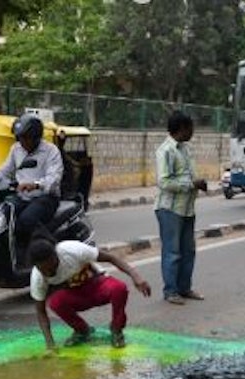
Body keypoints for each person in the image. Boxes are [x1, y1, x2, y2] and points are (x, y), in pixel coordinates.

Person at [28, 232, 151, 350]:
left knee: (119, 288)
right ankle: (82, 330)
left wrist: (136, 277)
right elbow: (41, 312)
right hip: (76, 296)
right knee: (55, 303)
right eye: (44, 270)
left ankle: (116, 329)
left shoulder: (72, 250)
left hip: (97, 286)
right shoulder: (37, 277)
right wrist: (50, 345)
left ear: (56, 255)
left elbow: (111, 258)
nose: (49, 272)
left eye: (52, 267)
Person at [155, 111, 207, 305]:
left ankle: (184, 288)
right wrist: (192, 185)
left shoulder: (185, 149)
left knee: (188, 250)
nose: (193, 131)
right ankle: (170, 291)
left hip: (187, 208)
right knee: (172, 252)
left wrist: (196, 183)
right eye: (190, 127)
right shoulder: (166, 151)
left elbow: (186, 175)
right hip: (170, 209)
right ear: (182, 128)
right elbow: (164, 182)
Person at [0, 113, 63, 244]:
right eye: (20, 138)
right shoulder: (16, 149)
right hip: (22, 197)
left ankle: (44, 249)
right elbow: (5, 170)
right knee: (1, 216)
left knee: (26, 219)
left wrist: (36, 185)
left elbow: (54, 178)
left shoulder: (51, 151)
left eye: (26, 138)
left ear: (36, 137)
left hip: (45, 197)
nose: (23, 142)